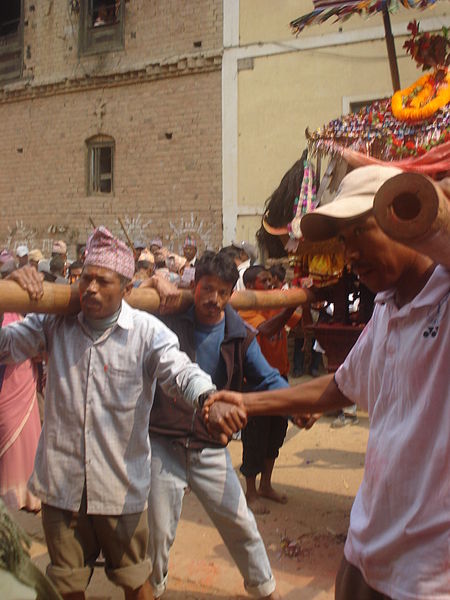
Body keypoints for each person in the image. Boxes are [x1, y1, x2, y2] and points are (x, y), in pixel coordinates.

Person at [205, 165, 450, 600]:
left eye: (361, 231)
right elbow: (340, 387)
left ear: (407, 221)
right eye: (343, 239)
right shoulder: (387, 310)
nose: (349, 253)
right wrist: (244, 402)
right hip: (367, 542)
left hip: (429, 572)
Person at [0, 226, 216, 600]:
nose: (91, 289)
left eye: (103, 281)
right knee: (67, 585)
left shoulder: (146, 332)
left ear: (127, 288)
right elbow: (6, 346)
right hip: (61, 487)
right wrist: (9, 295)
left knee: (136, 581)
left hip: (120, 487)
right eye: (85, 278)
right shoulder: (55, 324)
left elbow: (179, 370)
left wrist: (207, 396)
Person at [148, 251, 286, 599]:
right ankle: (152, 590)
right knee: (158, 531)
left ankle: (265, 589)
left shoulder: (239, 334)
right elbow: (123, 298)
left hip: (210, 443)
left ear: (230, 293)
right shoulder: (168, 320)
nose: (214, 299)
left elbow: (269, 377)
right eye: (207, 289)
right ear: (194, 286)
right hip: (165, 440)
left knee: (240, 523)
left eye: (223, 292)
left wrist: (297, 403)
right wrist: (153, 280)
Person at [239, 266, 300, 513]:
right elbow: (266, 329)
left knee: (276, 434)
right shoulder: (243, 308)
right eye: (265, 281)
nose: (271, 284)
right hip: (255, 383)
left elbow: (296, 322)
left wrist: (299, 299)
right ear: (252, 285)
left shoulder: (274, 302)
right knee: (255, 437)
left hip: (280, 378)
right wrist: (290, 308)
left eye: (271, 280)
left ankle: (266, 485)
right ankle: (250, 492)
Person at [0, 312, 41, 512]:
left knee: (24, 435)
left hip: (24, 380)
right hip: (8, 383)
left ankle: (23, 495)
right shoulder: (9, 318)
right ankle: (9, 497)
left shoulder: (28, 318)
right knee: (9, 431)